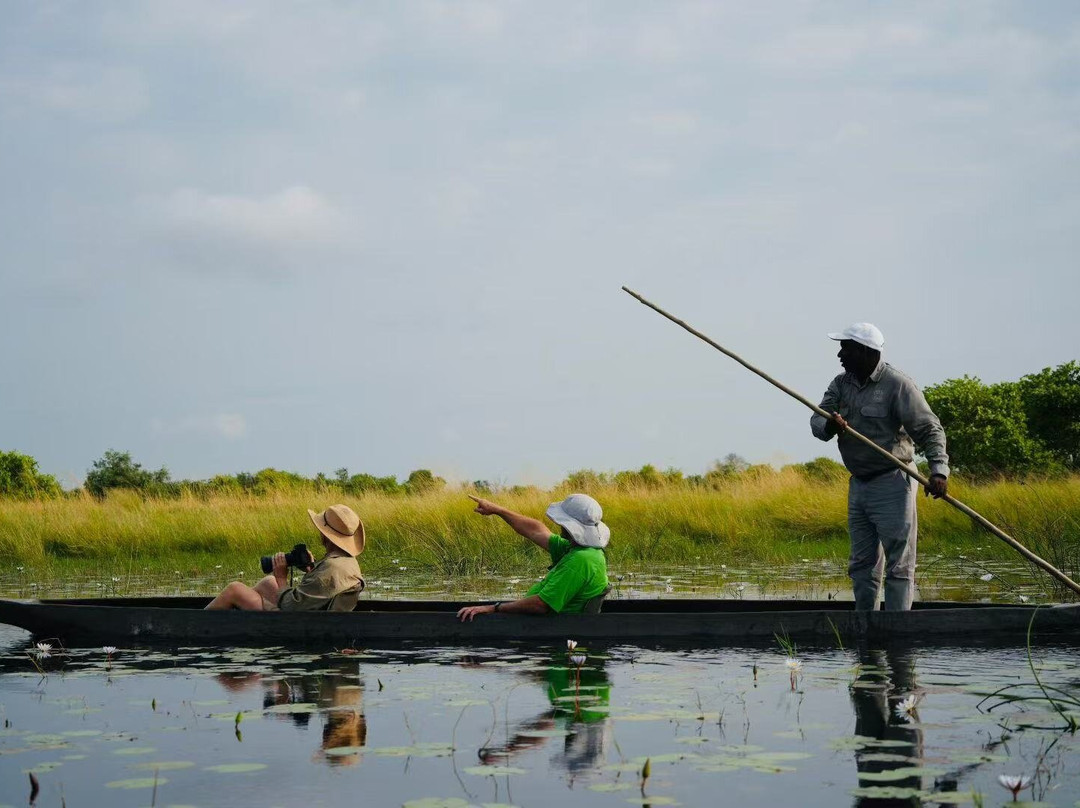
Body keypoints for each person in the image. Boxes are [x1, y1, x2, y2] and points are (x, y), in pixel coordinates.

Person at [810, 323, 949, 611]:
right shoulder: (840, 384)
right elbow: (817, 424)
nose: (840, 354)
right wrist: (830, 425)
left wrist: (938, 471)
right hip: (859, 484)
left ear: (864, 351)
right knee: (861, 563)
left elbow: (929, 430)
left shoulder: (898, 384)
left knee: (899, 564)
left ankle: (898, 632)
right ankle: (866, 627)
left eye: (845, 348)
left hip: (894, 482)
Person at [456, 493, 610, 621]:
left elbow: (540, 605)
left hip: (556, 629)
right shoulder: (577, 550)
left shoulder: (582, 560)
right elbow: (535, 531)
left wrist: (494, 608)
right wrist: (498, 510)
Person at [205, 504, 366, 612]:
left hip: (301, 624)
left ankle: (197, 624)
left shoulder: (333, 567)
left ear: (326, 536)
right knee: (268, 582)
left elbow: (291, 607)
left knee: (235, 589)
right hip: (313, 613)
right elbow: (321, 590)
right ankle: (240, 620)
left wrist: (281, 577)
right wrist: (310, 568)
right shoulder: (346, 561)